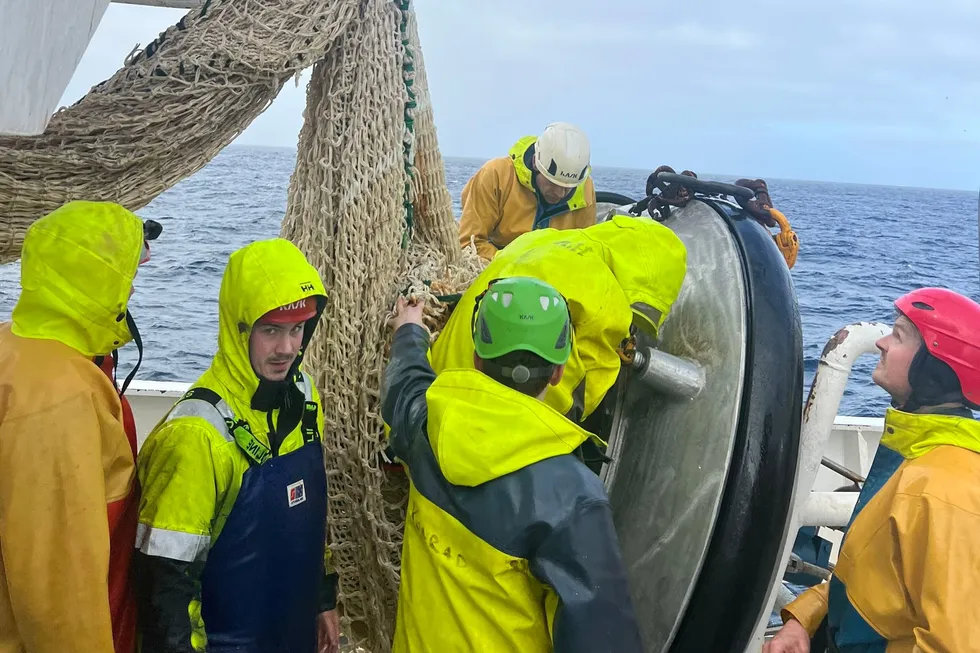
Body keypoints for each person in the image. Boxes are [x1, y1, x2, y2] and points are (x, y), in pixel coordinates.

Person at [382, 276, 644, 652]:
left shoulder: (426, 427)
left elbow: (404, 384)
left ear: (476, 355)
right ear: (557, 372)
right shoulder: (572, 497)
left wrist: (409, 331)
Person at [134, 238, 340, 653]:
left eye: (297, 329)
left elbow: (309, 523)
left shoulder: (305, 398)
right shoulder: (196, 434)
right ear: (238, 328)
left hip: (294, 634)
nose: (286, 348)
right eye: (270, 331)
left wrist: (322, 600)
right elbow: (165, 587)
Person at [764, 287, 980, 653]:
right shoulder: (912, 455)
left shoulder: (946, 490)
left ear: (934, 369)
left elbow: (954, 644)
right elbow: (872, 582)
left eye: (898, 335)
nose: (880, 342)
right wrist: (803, 618)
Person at [0, 200, 160, 653]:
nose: (130, 289)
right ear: (96, 282)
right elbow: (57, 588)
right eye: (126, 276)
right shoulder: (59, 400)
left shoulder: (17, 341)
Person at [435, 214, 687, 424]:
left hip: (437, 392)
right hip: (490, 429)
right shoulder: (605, 295)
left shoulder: (537, 238)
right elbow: (572, 399)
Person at [458, 122, 597, 260]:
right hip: (497, 264)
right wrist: (515, 266)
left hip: (553, 270)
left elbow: (583, 254)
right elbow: (469, 244)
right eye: (552, 183)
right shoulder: (496, 175)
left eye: (569, 188)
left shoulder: (585, 190)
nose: (560, 193)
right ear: (536, 163)